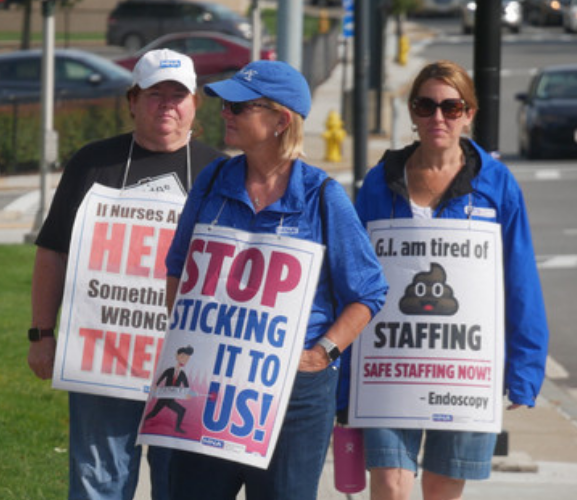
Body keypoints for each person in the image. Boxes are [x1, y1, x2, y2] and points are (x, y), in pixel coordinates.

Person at [162, 60, 388, 500]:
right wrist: (188, 336)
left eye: (239, 106)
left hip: (293, 397)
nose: (224, 112)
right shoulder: (211, 182)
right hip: (208, 385)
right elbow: (177, 267)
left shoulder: (323, 196)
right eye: (226, 104)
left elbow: (368, 292)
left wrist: (321, 354)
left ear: (281, 120)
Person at [28, 49, 223, 500]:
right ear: (132, 101)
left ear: (195, 104)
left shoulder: (220, 172)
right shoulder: (94, 164)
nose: (168, 105)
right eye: (156, 94)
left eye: (179, 95)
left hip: (187, 362)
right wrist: (41, 333)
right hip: (103, 358)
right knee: (99, 481)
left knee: (184, 485)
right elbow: (52, 251)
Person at [353, 60, 549, 500]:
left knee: (442, 490)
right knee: (389, 483)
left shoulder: (497, 186)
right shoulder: (379, 184)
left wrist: (525, 367)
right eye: (426, 106)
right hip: (388, 366)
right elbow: (351, 275)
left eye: (450, 106)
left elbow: (519, 280)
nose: (437, 118)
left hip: (463, 371)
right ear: (413, 112)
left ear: (469, 113)